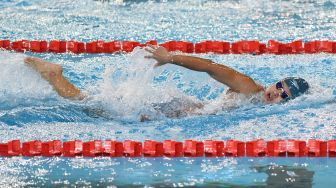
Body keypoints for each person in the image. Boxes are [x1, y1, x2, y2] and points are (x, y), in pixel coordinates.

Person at [23, 45, 309, 116]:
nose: (276, 93)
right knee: (99, 110)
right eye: (279, 86)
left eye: (284, 95)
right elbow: (211, 67)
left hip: (184, 109)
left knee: (102, 107)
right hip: (181, 110)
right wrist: (170, 57)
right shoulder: (250, 88)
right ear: (275, 82)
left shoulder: (258, 104)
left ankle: (55, 77)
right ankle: (54, 75)